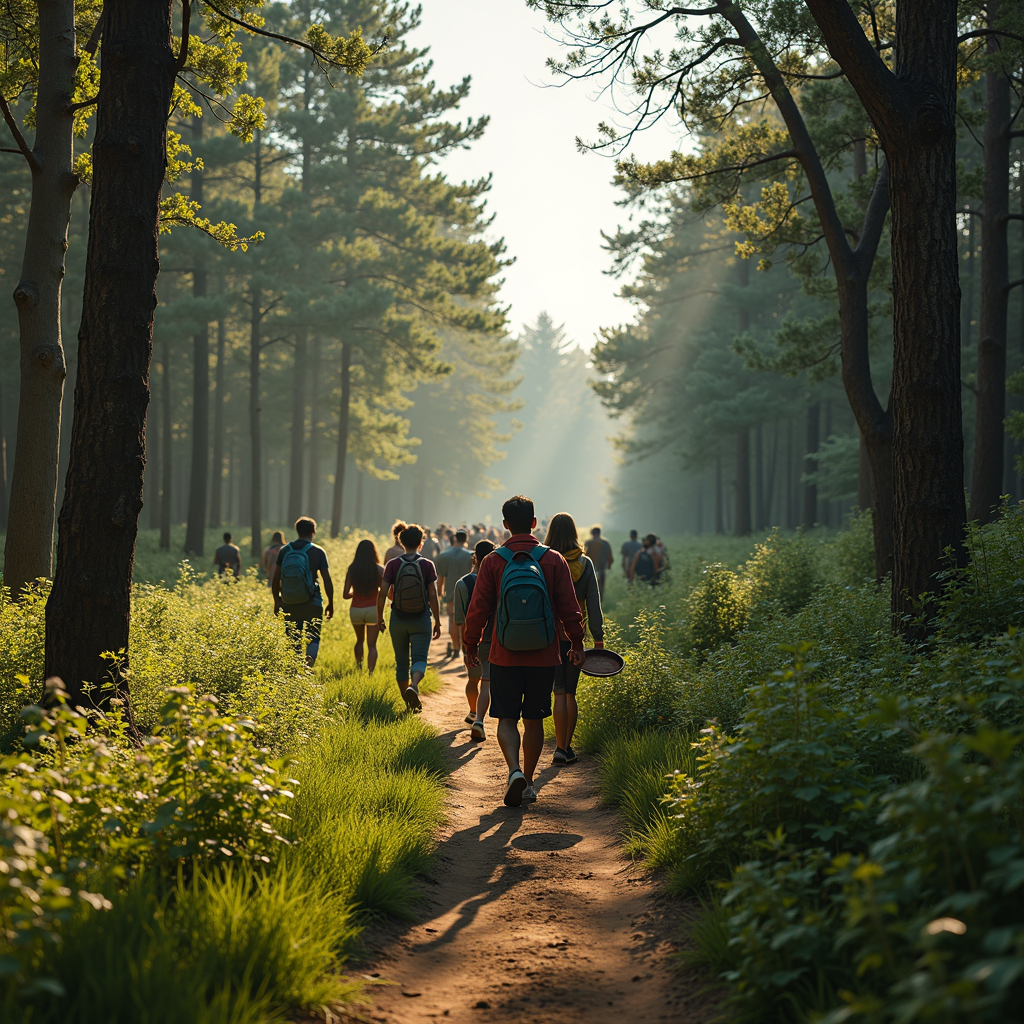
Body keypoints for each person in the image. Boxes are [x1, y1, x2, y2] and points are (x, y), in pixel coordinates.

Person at [463, 495, 585, 808]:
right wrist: (576, 642)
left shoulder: (493, 561)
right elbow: (570, 607)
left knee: (506, 718)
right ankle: (529, 783)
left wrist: (469, 645)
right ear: (533, 523)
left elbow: (477, 610)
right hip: (545, 654)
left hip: (504, 654)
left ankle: (514, 771)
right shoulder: (553, 558)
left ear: (505, 525)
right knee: (534, 719)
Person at [545, 513, 604, 766]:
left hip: (547, 635)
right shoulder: (585, 563)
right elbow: (594, 601)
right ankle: (564, 748)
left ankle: (560, 747)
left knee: (558, 692)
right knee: (570, 693)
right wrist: (598, 638)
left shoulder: (544, 560)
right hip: (574, 635)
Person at [378, 523, 442, 712]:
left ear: (401, 541)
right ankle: (413, 686)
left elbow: (382, 594)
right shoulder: (427, 565)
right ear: (421, 543)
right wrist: (437, 621)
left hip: (398, 618)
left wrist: (379, 618)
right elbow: (432, 595)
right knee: (420, 658)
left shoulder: (392, 564)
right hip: (421, 618)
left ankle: (408, 704)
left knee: (401, 663)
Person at [272, 517, 334, 667]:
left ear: (297, 530)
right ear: (313, 531)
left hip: (289, 602)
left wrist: (277, 601)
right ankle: (308, 665)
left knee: (294, 638)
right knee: (313, 636)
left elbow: (276, 579)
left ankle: (294, 673)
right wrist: (330, 603)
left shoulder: (285, 550)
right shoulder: (318, 551)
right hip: (312, 602)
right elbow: (327, 580)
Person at [453, 539, 495, 741]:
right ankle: (479, 718)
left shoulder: (463, 584)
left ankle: (473, 711)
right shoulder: (498, 579)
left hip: (472, 638)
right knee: (487, 682)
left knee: (473, 679)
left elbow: (460, 620)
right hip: (494, 638)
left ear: (475, 558)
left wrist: (465, 645)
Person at [343, 539, 384, 672]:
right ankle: (371, 673)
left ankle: (359, 669)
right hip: (373, 609)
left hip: (356, 610)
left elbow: (345, 594)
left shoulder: (352, 568)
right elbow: (383, 591)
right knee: (372, 645)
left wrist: (355, 594)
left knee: (359, 640)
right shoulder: (378, 569)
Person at [435, 529, 474, 657]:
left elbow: (440, 577)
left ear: (456, 538)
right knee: (467, 621)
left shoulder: (445, 555)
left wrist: (439, 593)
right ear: (466, 538)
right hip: (469, 591)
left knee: (453, 619)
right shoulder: (470, 555)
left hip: (451, 592)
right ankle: (465, 647)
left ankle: (456, 647)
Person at [583, 525, 614, 598]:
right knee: (601, 589)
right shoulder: (605, 543)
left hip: (589, 569)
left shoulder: (588, 543)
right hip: (602, 569)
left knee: (589, 588)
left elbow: (583, 556)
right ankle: (600, 604)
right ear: (600, 533)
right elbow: (610, 557)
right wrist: (608, 566)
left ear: (592, 533)